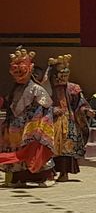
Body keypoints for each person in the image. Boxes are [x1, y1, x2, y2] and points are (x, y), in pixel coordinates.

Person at [3, 49, 56, 187]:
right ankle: (19, 179)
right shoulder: (15, 89)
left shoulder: (37, 89)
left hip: (33, 126)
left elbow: (45, 108)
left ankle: (46, 177)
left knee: (36, 150)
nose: (18, 75)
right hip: (16, 127)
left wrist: (36, 125)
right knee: (17, 152)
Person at [44, 56, 88, 183]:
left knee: (67, 149)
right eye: (60, 74)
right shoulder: (47, 88)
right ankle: (49, 173)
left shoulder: (73, 88)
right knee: (50, 146)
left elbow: (81, 103)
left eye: (66, 74)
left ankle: (64, 173)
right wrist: (52, 110)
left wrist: (85, 110)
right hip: (52, 121)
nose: (63, 77)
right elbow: (42, 104)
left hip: (69, 121)